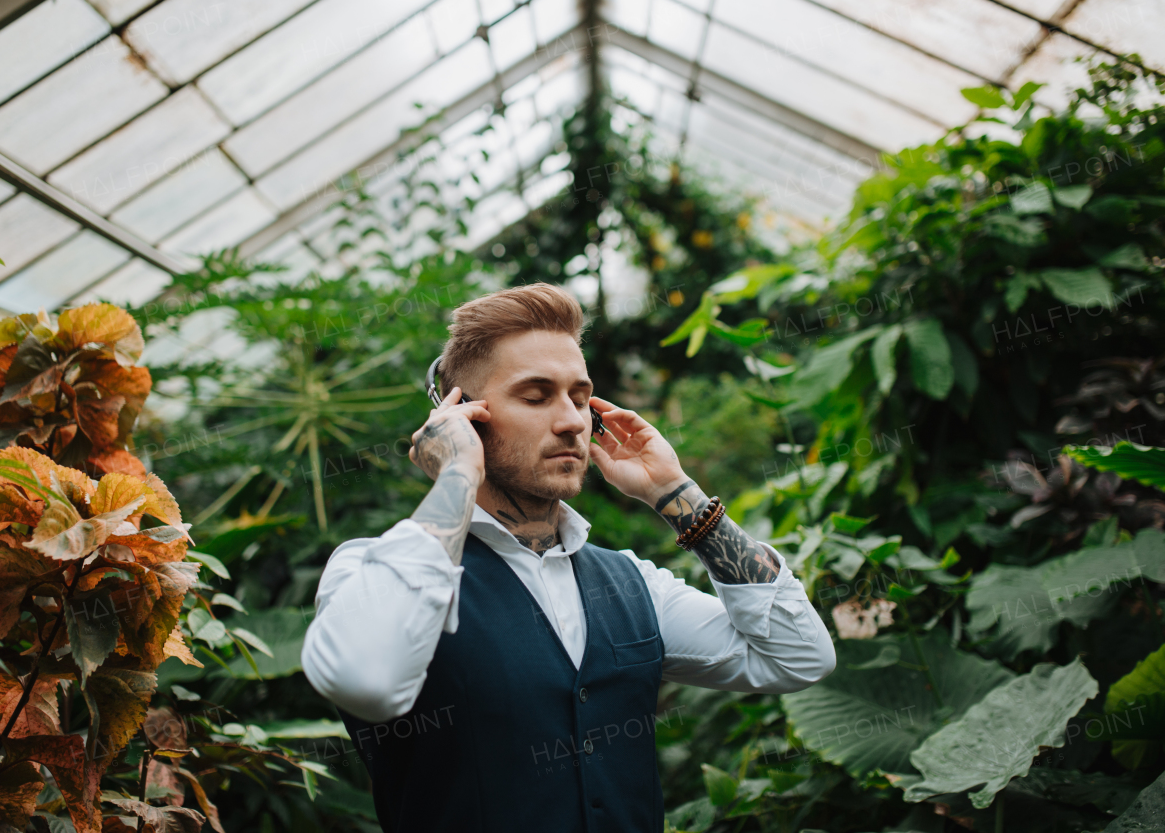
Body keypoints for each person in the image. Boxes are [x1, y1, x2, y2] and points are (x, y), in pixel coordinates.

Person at [301, 282, 836, 832]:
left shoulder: (631, 584)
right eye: (536, 396)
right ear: (462, 416)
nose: (573, 421)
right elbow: (364, 677)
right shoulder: (371, 569)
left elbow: (800, 657)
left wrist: (676, 493)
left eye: (579, 398)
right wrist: (458, 473)